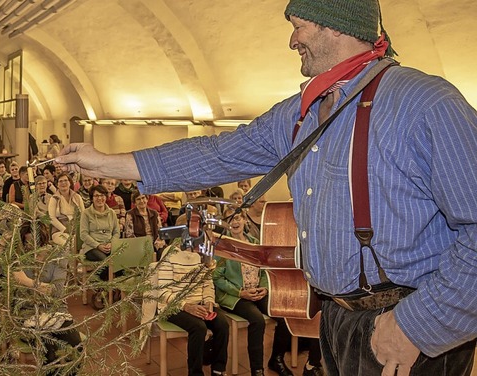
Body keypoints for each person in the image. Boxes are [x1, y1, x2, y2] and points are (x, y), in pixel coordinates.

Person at [55, 1, 477, 374]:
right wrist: (107, 162)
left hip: (405, 322)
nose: (293, 40)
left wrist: (420, 325)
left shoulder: (425, 103)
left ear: (336, 25)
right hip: (335, 319)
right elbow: (217, 154)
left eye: (300, 25)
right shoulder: (301, 112)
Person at [213, 208, 323, 376]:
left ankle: (276, 359)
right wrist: (240, 292)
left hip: (258, 292)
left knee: (285, 313)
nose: (234, 222)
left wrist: (265, 287)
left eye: (237, 218)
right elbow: (217, 278)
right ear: (225, 224)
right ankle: (257, 370)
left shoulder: (255, 242)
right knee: (257, 320)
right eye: (230, 219)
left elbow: (266, 270)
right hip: (235, 296)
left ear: (245, 220)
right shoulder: (222, 246)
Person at [0, 222, 81, 367]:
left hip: (55, 311)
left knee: (76, 347)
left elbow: (58, 291)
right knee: (48, 353)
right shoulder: (18, 259)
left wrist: (26, 281)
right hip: (27, 313)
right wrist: (2, 243)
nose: (33, 248)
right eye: (28, 243)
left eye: (37, 243)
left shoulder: (58, 256)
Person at [157, 218, 229, 376]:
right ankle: (195, 373)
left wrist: (209, 301)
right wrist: (186, 306)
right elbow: (163, 292)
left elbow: (207, 282)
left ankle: (218, 369)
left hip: (199, 303)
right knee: (199, 327)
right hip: (174, 306)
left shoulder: (202, 253)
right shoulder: (169, 253)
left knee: (222, 323)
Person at [79, 185, 120, 280]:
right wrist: (98, 245)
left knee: (121, 262)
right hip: (92, 247)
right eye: (96, 196)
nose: (99, 198)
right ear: (92, 198)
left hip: (110, 246)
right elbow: (83, 234)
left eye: (102, 195)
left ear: (106, 197)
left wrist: (111, 243)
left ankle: (115, 290)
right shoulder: (86, 213)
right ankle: (99, 285)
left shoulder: (111, 213)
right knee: (106, 262)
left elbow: (116, 232)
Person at [124, 190, 166, 260]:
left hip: (155, 242)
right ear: (134, 202)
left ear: (147, 199)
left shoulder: (155, 213)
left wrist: (157, 242)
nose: (141, 201)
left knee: (164, 253)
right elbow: (129, 234)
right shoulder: (130, 214)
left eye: (143, 198)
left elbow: (160, 230)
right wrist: (142, 245)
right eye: (138, 199)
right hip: (139, 244)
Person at [48, 173, 85, 246]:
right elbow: (51, 218)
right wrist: (65, 229)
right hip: (60, 231)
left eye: (65, 180)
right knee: (68, 243)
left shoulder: (77, 197)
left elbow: (84, 214)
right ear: (57, 185)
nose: (63, 183)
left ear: (70, 183)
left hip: (77, 229)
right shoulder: (54, 198)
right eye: (60, 181)